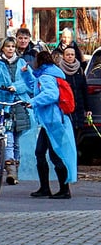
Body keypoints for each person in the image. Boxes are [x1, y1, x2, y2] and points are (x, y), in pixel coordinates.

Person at [23, 50, 77, 199]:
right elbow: (34, 86)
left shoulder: (46, 76)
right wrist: (26, 74)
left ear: (39, 61)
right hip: (51, 121)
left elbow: (51, 94)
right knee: (41, 152)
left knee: (55, 155)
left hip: (52, 121)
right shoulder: (50, 74)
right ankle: (47, 188)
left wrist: (33, 102)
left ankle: (64, 190)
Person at [0, 37, 32, 185]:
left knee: (17, 139)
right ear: (2, 48)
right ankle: (10, 169)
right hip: (2, 103)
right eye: (8, 46)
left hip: (19, 103)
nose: (11, 49)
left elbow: (29, 82)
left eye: (13, 46)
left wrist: (17, 87)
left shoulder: (21, 63)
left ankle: (15, 169)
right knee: (8, 137)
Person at [58, 46, 92, 139]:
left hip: (79, 108)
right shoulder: (59, 71)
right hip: (66, 109)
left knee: (77, 135)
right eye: (67, 54)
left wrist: (88, 108)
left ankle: (75, 153)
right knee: (67, 135)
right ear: (63, 56)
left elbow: (85, 90)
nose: (70, 56)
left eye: (72, 54)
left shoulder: (80, 70)